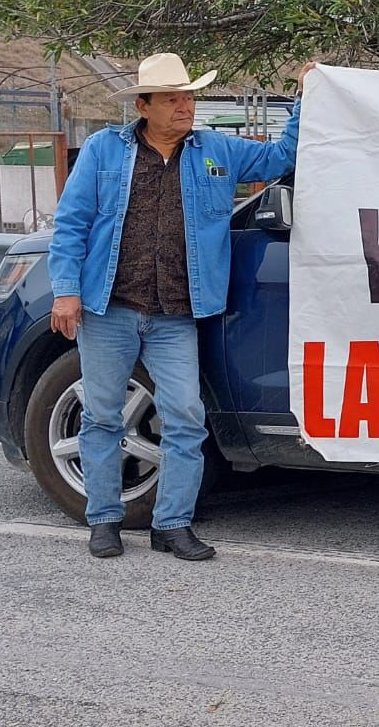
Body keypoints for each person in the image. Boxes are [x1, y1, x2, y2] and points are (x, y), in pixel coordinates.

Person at [49, 53, 308, 561]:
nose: (185, 106)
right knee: (102, 417)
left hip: (177, 313)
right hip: (109, 307)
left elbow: (282, 156)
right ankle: (104, 520)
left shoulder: (216, 149)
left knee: (186, 417)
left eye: (188, 97)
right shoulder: (105, 150)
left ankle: (172, 524)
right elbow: (71, 222)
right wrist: (65, 290)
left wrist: (305, 98)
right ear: (143, 106)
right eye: (172, 99)